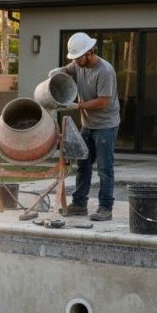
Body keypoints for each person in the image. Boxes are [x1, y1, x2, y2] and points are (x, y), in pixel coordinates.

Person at [51, 32, 120, 221]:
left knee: (105, 168)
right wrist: (58, 71)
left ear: (90, 52)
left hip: (106, 125)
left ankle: (106, 208)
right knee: (83, 164)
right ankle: (80, 204)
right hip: (87, 124)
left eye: (78, 57)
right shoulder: (78, 64)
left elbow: (104, 101)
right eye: (73, 58)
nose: (75, 61)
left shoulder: (105, 71)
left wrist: (77, 106)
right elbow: (68, 69)